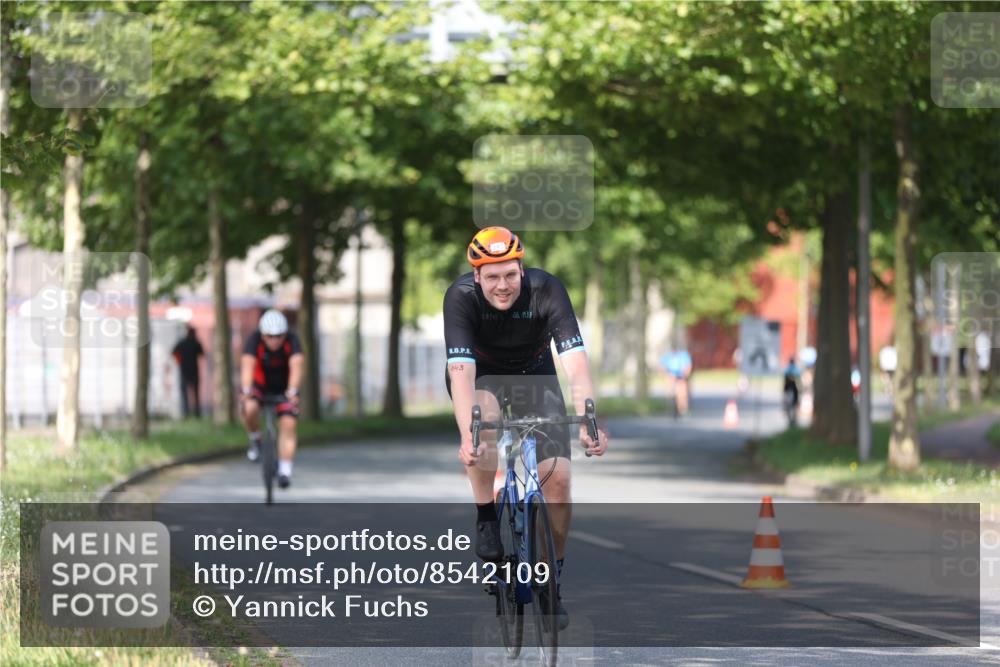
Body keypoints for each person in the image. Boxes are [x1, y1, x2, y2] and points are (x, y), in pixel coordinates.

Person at [443, 226, 608, 629]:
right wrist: (467, 435)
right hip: (483, 376)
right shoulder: (460, 297)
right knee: (483, 423)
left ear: (522, 269)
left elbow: (576, 363)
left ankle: (550, 581)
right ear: (476, 276)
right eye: (492, 277)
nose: (502, 285)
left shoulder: (547, 289)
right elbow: (461, 372)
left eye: (510, 275)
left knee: (560, 482)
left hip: (535, 375)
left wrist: (589, 419)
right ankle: (486, 515)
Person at [240, 309, 303, 489]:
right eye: (270, 336)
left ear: (285, 334)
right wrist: (246, 390)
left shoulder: (292, 340)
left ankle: (285, 470)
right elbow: (247, 365)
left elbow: (297, 366)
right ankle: (256, 439)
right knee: (249, 408)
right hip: (260, 385)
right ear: (263, 335)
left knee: (288, 424)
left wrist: (293, 391)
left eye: (279, 336)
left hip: (284, 388)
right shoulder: (254, 341)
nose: (274, 340)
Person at [172, 325, 204, 418]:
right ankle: (197, 413)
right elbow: (202, 354)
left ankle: (186, 413)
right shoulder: (196, 343)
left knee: (184, 393)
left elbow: (174, 352)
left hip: (184, 370)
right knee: (196, 393)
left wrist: (179, 361)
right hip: (194, 370)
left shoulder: (182, 342)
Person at [660, 349, 693, 417]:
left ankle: (683, 409)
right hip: (671, 375)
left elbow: (688, 365)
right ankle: (669, 406)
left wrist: (685, 374)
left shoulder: (684, 355)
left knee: (682, 393)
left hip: (681, 375)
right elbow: (662, 365)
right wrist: (666, 373)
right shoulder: (668, 355)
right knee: (669, 390)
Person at [783, 356, 801, 425]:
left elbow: (785, 380)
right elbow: (798, 380)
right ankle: (794, 419)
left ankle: (790, 419)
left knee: (788, 405)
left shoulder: (787, 369)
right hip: (794, 389)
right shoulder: (796, 369)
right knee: (794, 404)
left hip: (788, 389)